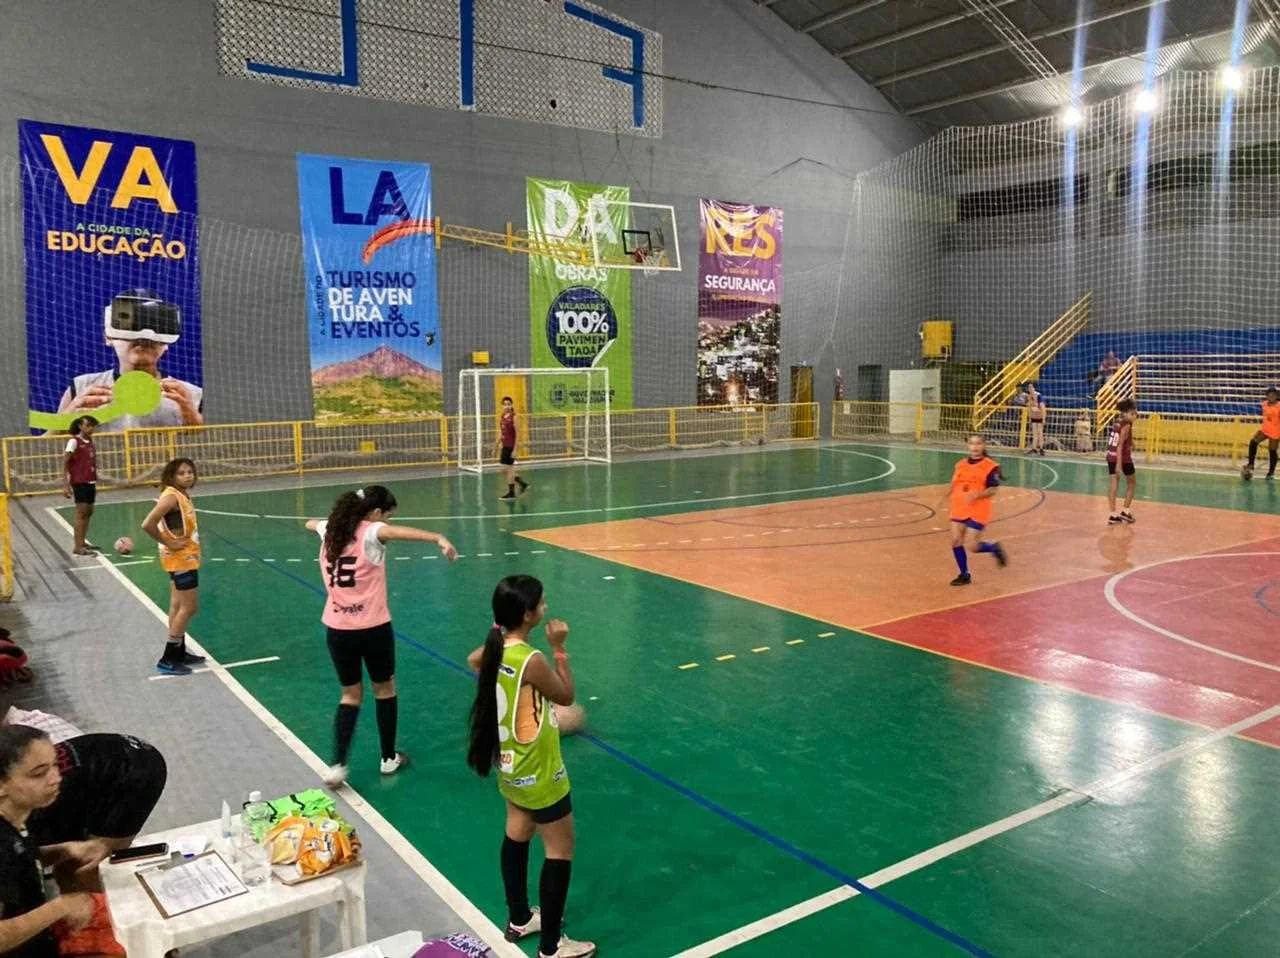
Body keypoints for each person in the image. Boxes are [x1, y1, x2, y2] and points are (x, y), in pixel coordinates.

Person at [466, 576, 595, 958]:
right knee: (560, 850)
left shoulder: (496, 648)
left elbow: (475, 661)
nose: (546, 606)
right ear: (527, 614)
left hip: (510, 763)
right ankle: (552, 947)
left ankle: (520, 918)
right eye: (541, 603)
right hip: (539, 768)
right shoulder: (531, 659)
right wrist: (559, 649)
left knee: (518, 833)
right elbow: (566, 696)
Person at [304, 486, 457, 787]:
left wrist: (328, 521)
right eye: (387, 515)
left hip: (338, 629)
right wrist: (438, 537)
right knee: (384, 690)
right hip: (373, 628)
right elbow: (398, 533)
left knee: (350, 695)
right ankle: (388, 757)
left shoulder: (330, 530)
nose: (388, 521)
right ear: (376, 513)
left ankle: (337, 765)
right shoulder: (372, 532)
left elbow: (310, 523)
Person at [0, 726, 96, 958]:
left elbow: (17, 864)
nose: (56, 778)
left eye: (55, 765)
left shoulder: (17, 818)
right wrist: (62, 906)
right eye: (39, 773)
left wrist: (63, 851)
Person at [27, 734, 167, 892]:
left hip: (135, 773)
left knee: (82, 869)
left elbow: (34, 862)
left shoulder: (30, 819)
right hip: (100, 761)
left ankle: (97, 902)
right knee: (68, 863)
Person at [55, 290, 203, 430]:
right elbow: (47, 444)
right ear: (108, 337)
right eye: (131, 325)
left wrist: (194, 419)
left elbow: (211, 443)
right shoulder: (82, 387)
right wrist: (64, 421)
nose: (144, 336)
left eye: (154, 324)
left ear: (166, 344)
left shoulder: (193, 396)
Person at [140, 458, 206, 675]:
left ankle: (179, 652)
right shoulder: (171, 497)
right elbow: (147, 524)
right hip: (181, 559)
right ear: (171, 476)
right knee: (189, 607)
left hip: (181, 558)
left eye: (190, 472)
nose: (187, 476)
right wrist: (168, 542)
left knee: (177, 606)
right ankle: (168, 658)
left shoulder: (179, 495)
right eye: (181, 473)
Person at [946, 435, 1008, 586]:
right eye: (972, 444)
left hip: (978, 509)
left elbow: (993, 489)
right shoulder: (960, 464)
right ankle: (964, 574)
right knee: (955, 541)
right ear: (968, 446)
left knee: (973, 546)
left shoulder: (990, 466)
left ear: (983, 445)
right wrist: (946, 496)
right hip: (959, 507)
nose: (975, 447)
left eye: (978, 443)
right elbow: (954, 483)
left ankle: (993, 548)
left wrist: (977, 495)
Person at [63, 416, 100, 555]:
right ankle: (77, 547)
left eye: (93, 426)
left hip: (90, 481)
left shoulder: (90, 441)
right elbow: (65, 462)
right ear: (80, 426)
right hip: (79, 482)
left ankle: (82, 542)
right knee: (81, 513)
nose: (91, 428)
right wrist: (65, 485)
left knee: (89, 511)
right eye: (88, 425)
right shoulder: (74, 442)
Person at [1107, 399, 1138, 524]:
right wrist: (1119, 465)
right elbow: (1120, 446)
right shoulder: (1127, 425)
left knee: (1113, 485)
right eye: (1132, 414)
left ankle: (1113, 514)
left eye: (1135, 413)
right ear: (1125, 413)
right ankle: (1125, 511)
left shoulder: (1117, 422)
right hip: (1123, 459)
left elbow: (1121, 438)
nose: (1135, 416)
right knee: (1132, 483)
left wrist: (1132, 443)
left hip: (1110, 456)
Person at [1241, 386, 1280, 480]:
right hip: (1265, 430)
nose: (1271, 396)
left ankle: (1271, 472)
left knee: (1272, 451)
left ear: (1276, 396)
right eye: (1269, 395)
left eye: (1273, 395)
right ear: (1267, 396)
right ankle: (1251, 465)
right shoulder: (1264, 404)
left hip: (1275, 432)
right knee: (1253, 442)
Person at [497, 397, 530, 502]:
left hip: (511, 447)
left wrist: (515, 449)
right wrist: (496, 445)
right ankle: (522, 483)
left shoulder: (514, 417)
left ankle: (511, 493)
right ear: (502, 406)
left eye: (508, 404)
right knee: (504, 470)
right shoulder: (502, 417)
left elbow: (518, 434)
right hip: (505, 446)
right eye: (505, 404)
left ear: (511, 405)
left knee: (509, 469)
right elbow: (502, 433)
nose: (507, 406)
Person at [1026, 384, 1046, 456]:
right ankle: (1034, 449)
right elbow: (1029, 407)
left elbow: (1043, 407)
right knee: (1034, 434)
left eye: (1031, 387)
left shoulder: (1039, 395)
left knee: (1040, 433)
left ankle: (1041, 449)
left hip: (1039, 416)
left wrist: (1043, 418)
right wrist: (1030, 417)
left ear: (1034, 388)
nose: (1030, 388)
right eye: (1029, 387)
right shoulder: (1029, 396)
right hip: (1034, 416)